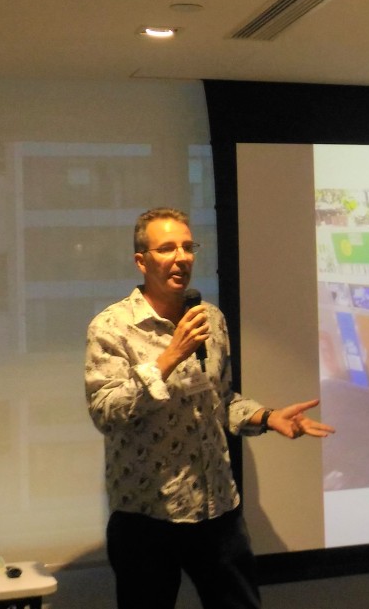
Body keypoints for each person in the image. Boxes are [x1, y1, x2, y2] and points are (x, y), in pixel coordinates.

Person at [84, 207, 334, 609]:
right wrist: (168, 358)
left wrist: (267, 417)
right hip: (148, 516)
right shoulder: (112, 327)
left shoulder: (210, 319)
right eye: (167, 248)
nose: (181, 257)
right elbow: (105, 412)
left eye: (188, 247)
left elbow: (220, 401)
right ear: (141, 261)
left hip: (217, 508)